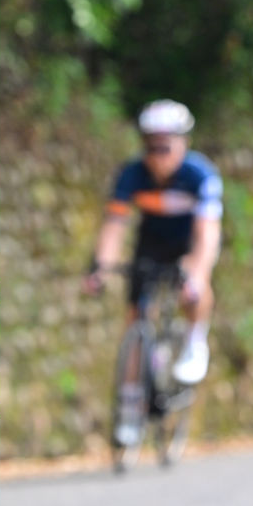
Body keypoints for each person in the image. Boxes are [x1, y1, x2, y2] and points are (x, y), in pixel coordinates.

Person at [85, 99, 223, 441]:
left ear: (183, 143)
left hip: (188, 242)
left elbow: (207, 233)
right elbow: (115, 224)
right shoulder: (133, 174)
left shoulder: (200, 176)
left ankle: (194, 340)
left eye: (164, 146)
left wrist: (197, 272)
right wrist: (101, 267)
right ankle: (130, 405)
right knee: (135, 319)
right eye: (150, 146)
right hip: (151, 242)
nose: (157, 155)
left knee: (194, 289)